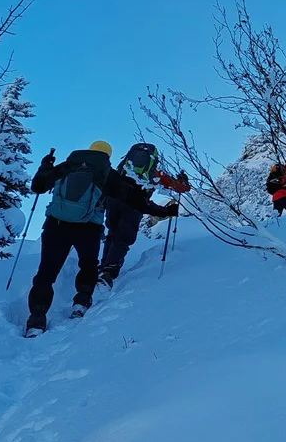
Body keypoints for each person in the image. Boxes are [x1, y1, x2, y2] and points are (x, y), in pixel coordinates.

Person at [25, 141, 179, 337]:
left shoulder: (67, 166)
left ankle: (36, 320)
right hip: (88, 229)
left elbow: (38, 186)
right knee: (88, 266)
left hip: (56, 226)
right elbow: (136, 201)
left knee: (46, 272)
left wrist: (45, 166)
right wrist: (165, 211)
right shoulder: (107, 174)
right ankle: (81, 303)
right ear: (108, 155)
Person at [98, 142, 190, 288]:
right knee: (123, 237)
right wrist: (183, 182)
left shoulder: (124, 168)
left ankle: (103, 267)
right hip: (135, 204)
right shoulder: (155, 174)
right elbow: (182, 188)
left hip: (114, 201)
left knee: (113, 233)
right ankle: (109, 271)